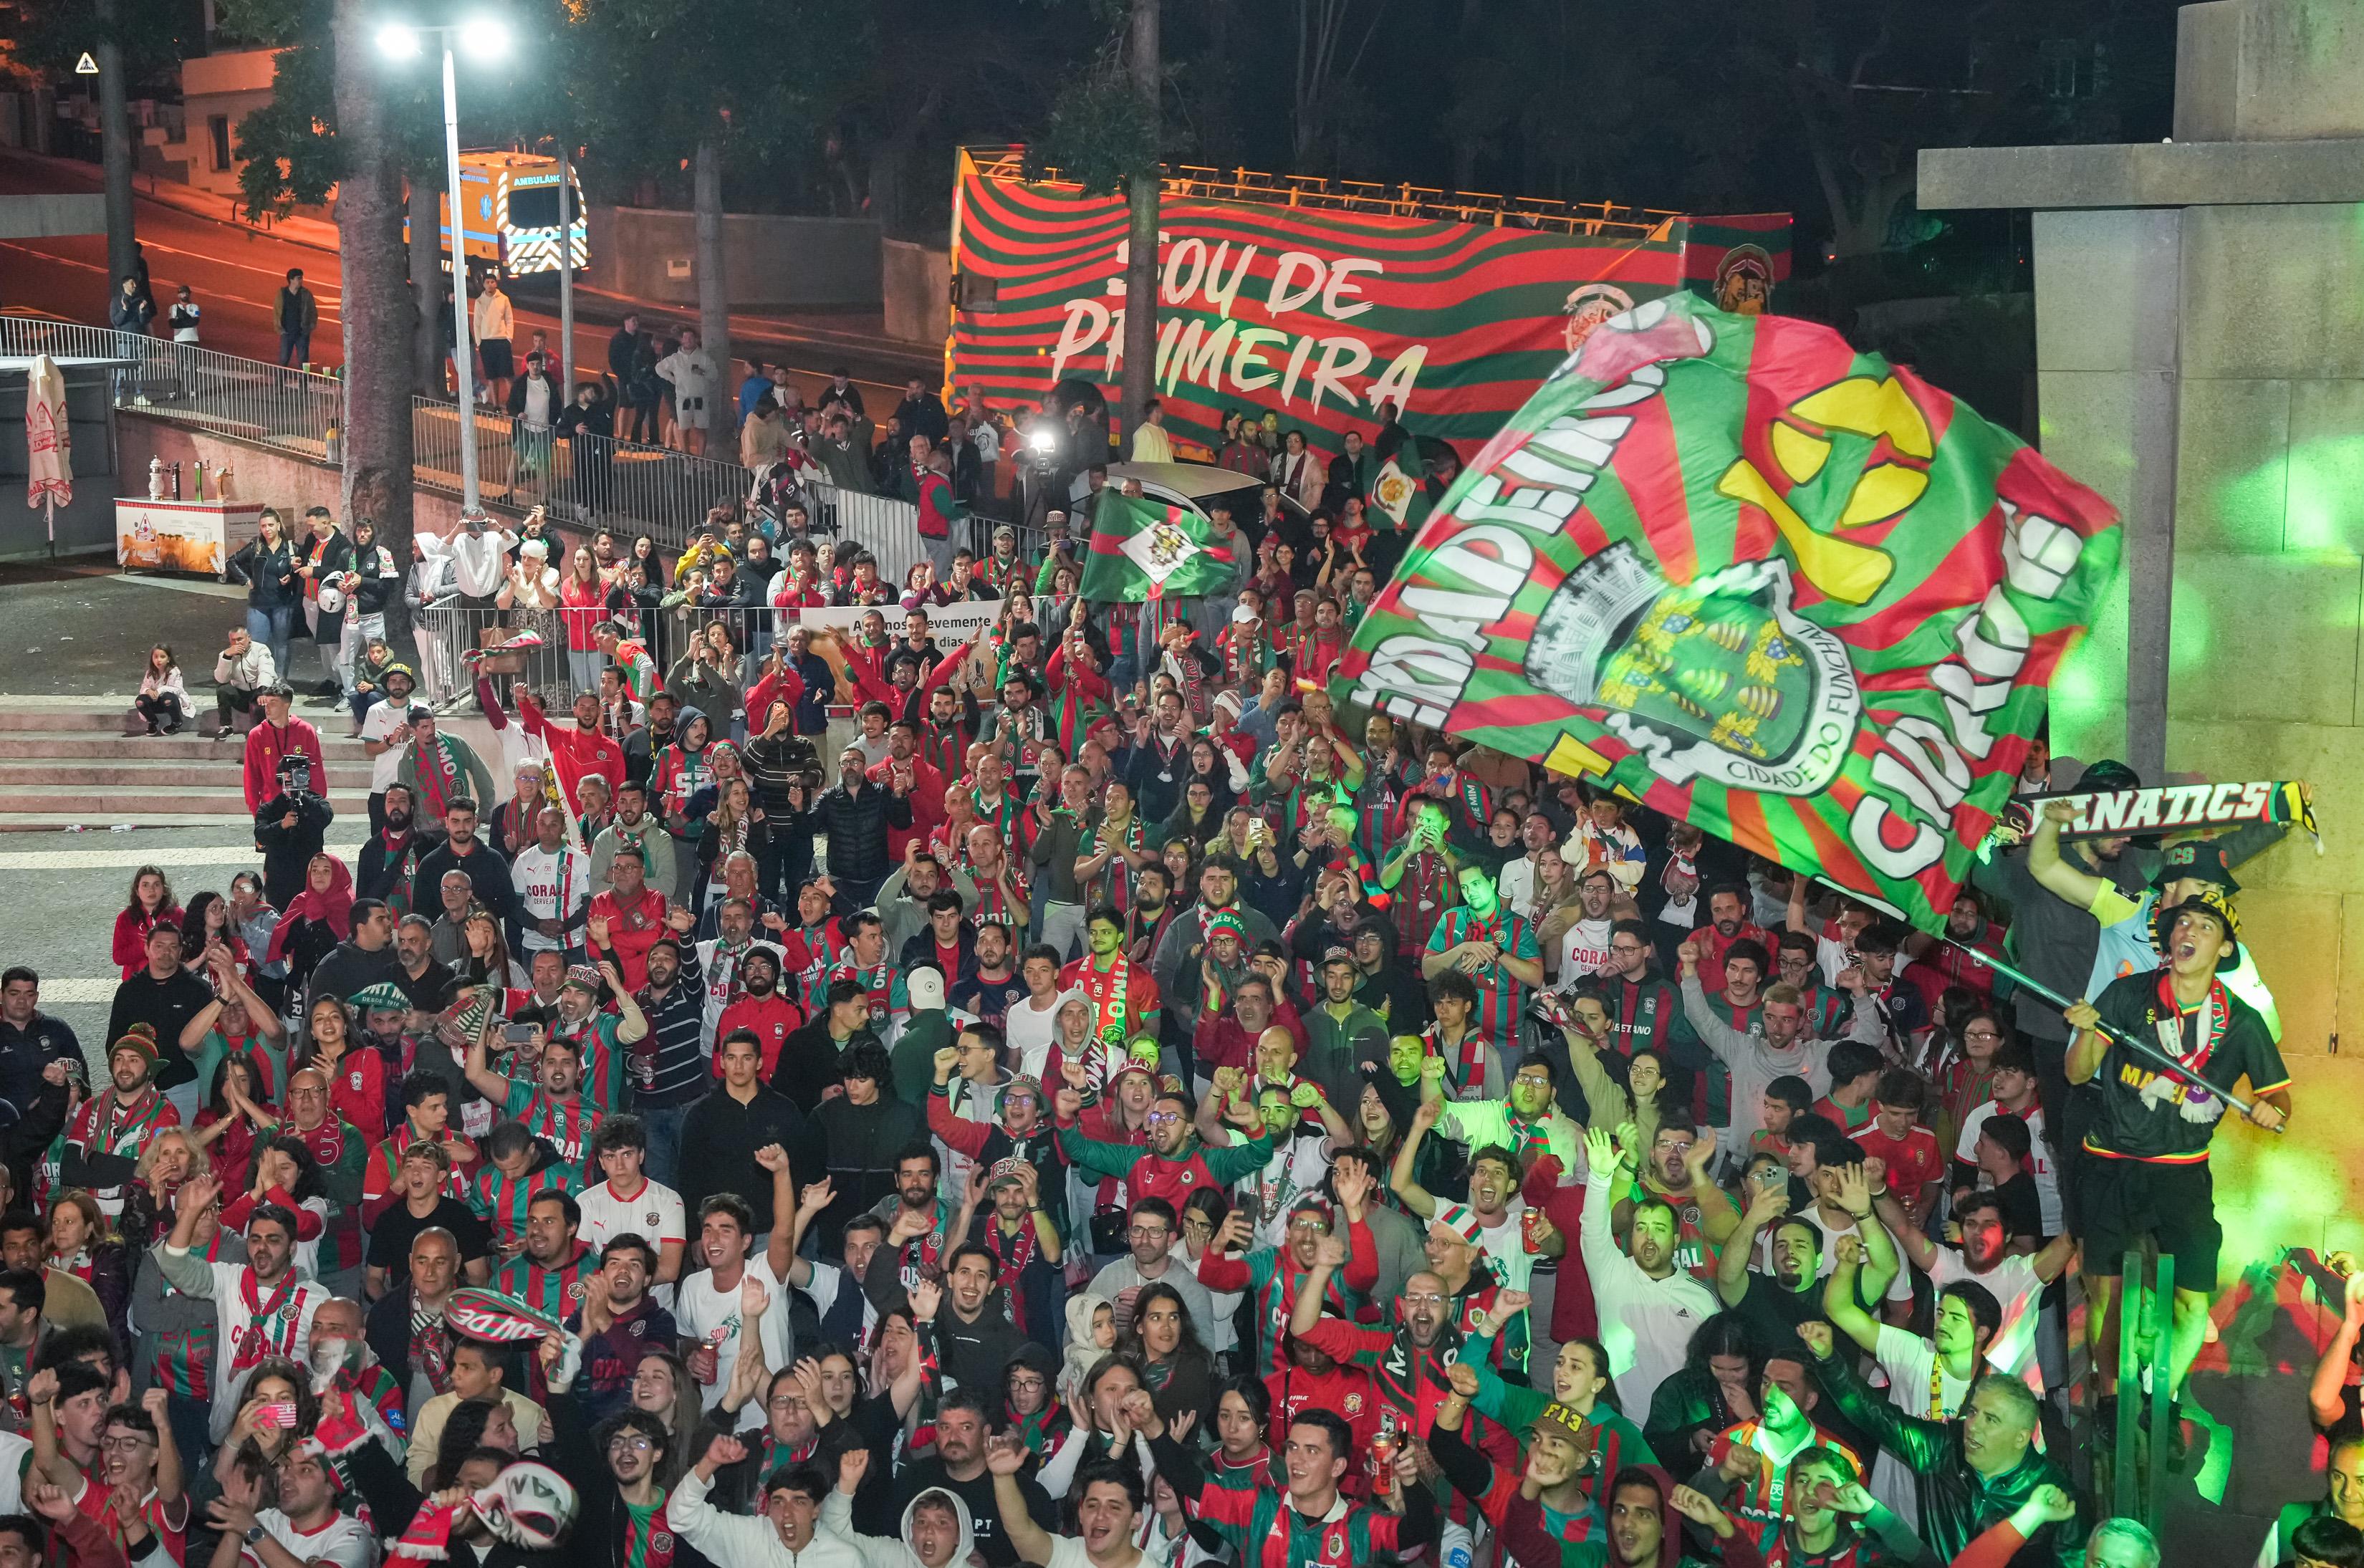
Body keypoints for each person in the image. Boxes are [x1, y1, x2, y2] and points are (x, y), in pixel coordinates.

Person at [2064, 888, 2288, 1416]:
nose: (2188, 932)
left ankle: (2158, 1400)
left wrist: (2267, 1108)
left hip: (2181, 1171)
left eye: (2204, 927)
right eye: (2181, 922)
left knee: (2192, 1301)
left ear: (2225, 949)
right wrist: (2088, 1033)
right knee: (2107, 1292)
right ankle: (2112, 1406)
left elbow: (2280, 1098)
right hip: (2111, 1159)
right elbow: (2076, 1074)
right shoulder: (2125, 994)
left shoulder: (2241, 1019)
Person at [474, 271, 515, 408]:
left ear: (496, 283)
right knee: (492, 376)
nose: (490, 285)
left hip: (502, 341)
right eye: (487, 282)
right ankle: (496, 405)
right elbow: (477, 323)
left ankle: (514, 404)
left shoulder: (504, 299)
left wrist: (508, 337)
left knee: (508, 375)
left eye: (493, 282)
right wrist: (479, 342)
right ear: (484, 284)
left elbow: (509, 319)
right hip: (487, 343)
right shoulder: (479, 301)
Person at [134, 645, 190, 736]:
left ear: (168, 659)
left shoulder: (174, 672)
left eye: (162, 657)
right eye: (156, 657)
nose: (158, 660)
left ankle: (176, 722)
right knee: (140, 701)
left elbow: (178, 690)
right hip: (155, 703)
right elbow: (143, 687)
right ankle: (152, 721)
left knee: (169, 698)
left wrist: (161, 690)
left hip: (169, 704)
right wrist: (148, 691)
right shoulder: (150, 672)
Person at [274, 269, 317, 367]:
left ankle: (303, 382)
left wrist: (309, 328)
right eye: (299, 278)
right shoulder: (282, 294)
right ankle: (279, 382)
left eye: (301, 278)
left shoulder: (306, 294)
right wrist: (280, 329)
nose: (301, 280)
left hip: (302, 333)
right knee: (283, 360)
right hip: (287, 333)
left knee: (303, 361)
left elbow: (313, 312)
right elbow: (277, 311)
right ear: (291, 280)